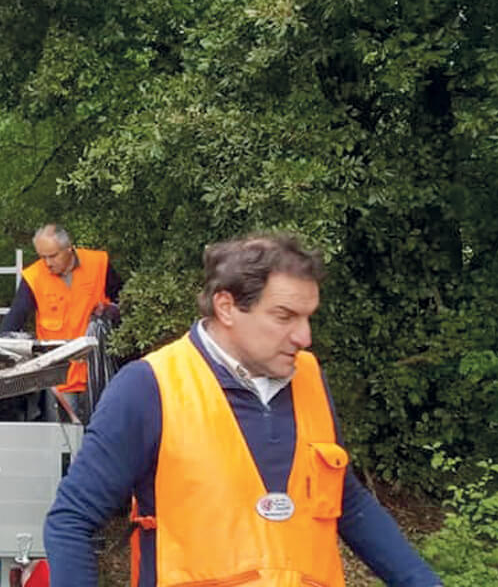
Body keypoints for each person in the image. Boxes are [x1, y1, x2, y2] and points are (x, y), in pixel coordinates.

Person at [43, 234, 441, 586]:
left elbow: (345, 500)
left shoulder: (309, 378)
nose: (304, 336)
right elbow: (71, 521)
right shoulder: (149, 387)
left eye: (307, 318)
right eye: (285, 316)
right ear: (227, 307)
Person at [0, 224, 121, 394]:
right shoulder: (34, 277)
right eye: (42, 257)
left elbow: (124, 301)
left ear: (69, 249)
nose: (48, 263)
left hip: (98, 376)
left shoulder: (98, 263)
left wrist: (110, 311)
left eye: (53, 256)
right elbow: (11, 323)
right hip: (58, 383)